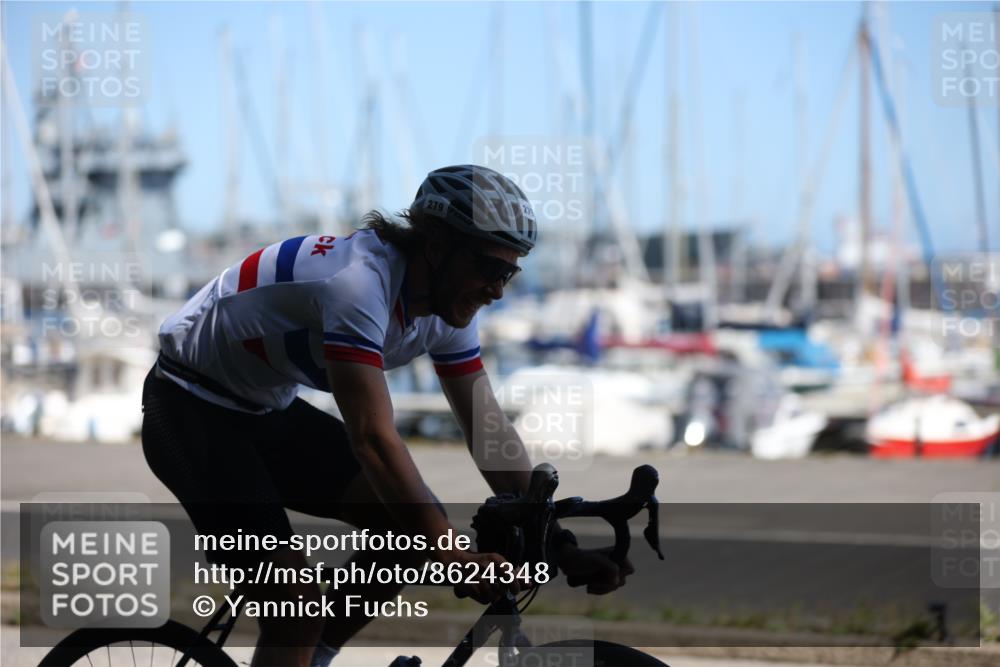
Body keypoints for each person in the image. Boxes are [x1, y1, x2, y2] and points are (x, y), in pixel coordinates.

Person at [140, 165, 633, 667]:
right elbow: (373, 440)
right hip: (188, 408)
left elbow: (490, 436)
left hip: (266, 408)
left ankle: (312, 658)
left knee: (413, 526)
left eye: (509, 272)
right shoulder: (356, 285)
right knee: (298, 606)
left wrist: (560, 545)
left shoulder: (445, 309)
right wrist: (453, 555)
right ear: (437, 243)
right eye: (488, 267)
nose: (497, 290)